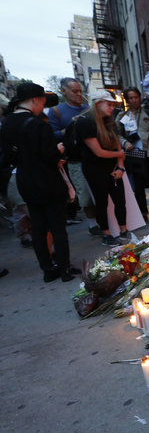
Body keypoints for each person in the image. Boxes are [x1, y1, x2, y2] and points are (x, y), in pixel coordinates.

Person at [0, 83, 77, 282]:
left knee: (39, 228)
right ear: (35, 100)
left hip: (25, 180)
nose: (42, 106)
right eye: (42, 101)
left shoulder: (7, 123)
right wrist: (59, 149)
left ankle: (47, 270)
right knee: (57, 227)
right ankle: (64, 268)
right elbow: (50, 156)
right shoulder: (38, 124)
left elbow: (7, 157)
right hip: (48, 180)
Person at [47, 78, 101, 235]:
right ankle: (92, 224)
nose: (79, 94)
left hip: (95, 157)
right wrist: (71, 128)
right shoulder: (56, 111)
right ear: (64, 91)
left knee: (100, 192)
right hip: (76, 159)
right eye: (74, 91)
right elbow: (53, 135)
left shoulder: (88, 109)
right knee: (84, 193)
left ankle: (105, 220)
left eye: (80, 91)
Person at [77, 90, 128, 246]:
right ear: (98, 103)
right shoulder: (84, 122)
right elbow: (98, 152)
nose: (112, 108)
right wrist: (120, 154)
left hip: (112, 167)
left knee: (120, 200)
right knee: (101, 202)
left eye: (113, 104)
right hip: (94, 168)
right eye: (109, 104)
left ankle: (124, 231)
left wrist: (121, 168)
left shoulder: (109, 121)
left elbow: (118, 146)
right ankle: (106, 234)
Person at [116, 87, 149, 224]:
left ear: (139, 97)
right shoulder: (123, 116)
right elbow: (116, 133)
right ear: (127, 100)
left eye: (136, 97)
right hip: (134, 154)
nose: (133, 100)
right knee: (139, 187)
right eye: (130, 98)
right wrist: (125, 142)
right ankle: (142, 213)